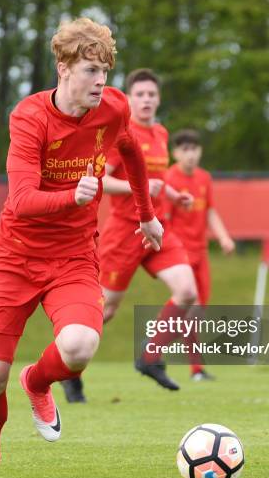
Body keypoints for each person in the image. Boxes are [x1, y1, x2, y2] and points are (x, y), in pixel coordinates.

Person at [0, 18, 163, 478]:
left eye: (105, 69)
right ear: (64, 68)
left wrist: (146, 214)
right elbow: (23, 201)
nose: (101, 80)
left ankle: (37, 381)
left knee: (80, 345)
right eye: (91, 69)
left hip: (72, 257)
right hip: (13, 257)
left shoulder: (113, 107)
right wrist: (74, 195)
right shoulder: (29, 118)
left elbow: (131, 153)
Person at [61, 69, 209, 403]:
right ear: (128, 98)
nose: (146, 100)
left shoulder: (160, 132)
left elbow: (153, 177)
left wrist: (170, 194)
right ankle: (68, 372)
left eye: (151, 95)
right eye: (139, 94)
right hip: (123, 233)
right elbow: (99, 181)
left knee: (187, 291)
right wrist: (137, 187)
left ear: (158, 99)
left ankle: (150, 355)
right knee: (104, 309)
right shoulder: (119, 133)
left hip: (155, 228)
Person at [165, 129, 235, 307]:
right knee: (190, 299)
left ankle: (174, 334)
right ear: (175, 153)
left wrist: (224, 237)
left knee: (201, 302)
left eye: (194, 149)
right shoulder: (169, 179)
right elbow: (164, 219)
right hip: (180, 251)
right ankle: (157, 334)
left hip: (201, 251)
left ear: (200, 151)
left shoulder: (204, 178)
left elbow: (209, 211)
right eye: (185, 149)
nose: (191, 154)